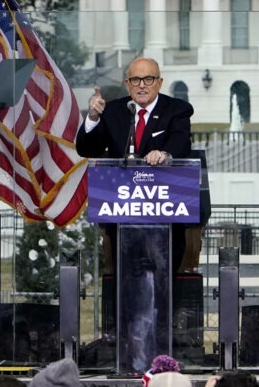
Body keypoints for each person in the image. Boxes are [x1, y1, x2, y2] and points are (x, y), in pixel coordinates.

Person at [76, 57, 194, 372]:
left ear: (159, 81)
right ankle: (128, 359)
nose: (142, 85)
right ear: (127, 84)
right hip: (123, 224)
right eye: (135, 80)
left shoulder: (177, 110)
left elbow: (181, 143)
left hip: (164, 223)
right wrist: (92, 118)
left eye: (148, 79)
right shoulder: (115, 111)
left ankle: (161, 360)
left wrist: (165, 155)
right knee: (126, 291)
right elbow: (86, 148)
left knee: (161, 292)